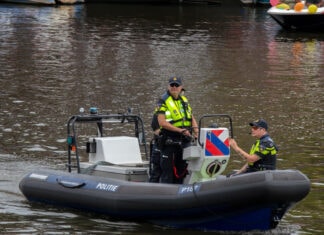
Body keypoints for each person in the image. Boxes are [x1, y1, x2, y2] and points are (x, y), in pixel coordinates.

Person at [156, 77, 198, 184]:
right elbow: (162, 123)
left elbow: (191, 116)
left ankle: (180, 193)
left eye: (176, 85)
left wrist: (196, 131)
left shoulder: (184, 100)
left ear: (181, 87)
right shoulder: (163, 101)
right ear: (168, 86)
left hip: (184, 141)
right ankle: (166, 196)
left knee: (182, 170)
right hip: (170, 141)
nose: (174, 87)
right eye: (172, 85)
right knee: (167, 172)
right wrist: (180, 130)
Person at [148, 87, 186, 183]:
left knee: (178, 169)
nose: (181, 94)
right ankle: (152, 191)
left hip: (176, 142)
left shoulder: (182, 105)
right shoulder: (164, 104)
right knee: (157, 169)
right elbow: (156, 126)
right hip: (162, 142)